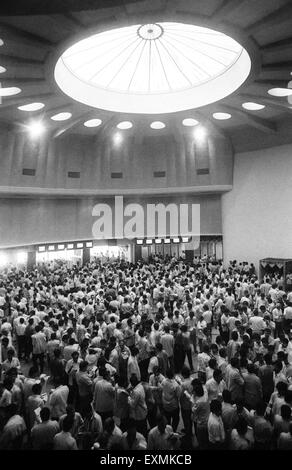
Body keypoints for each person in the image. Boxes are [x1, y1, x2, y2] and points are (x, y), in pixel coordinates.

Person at [161, 368, 181, 432]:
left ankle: (169, 431)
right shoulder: (175, 384)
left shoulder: (163, 381)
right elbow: (178, 395)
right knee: (176, 419)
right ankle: (173, 430)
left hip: (165, 405)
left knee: (167, 419)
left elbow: (161, 388)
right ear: (173, 375)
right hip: (174, 405)